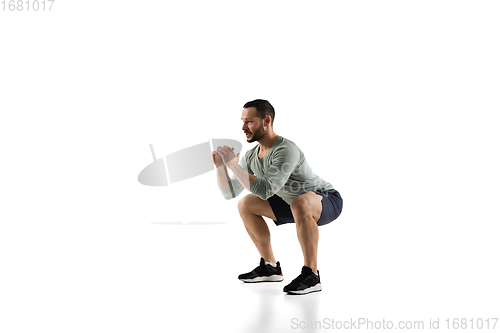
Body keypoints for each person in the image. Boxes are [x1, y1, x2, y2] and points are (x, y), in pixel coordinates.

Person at [212, 99, 343, 295]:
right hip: (291, 203)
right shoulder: (251, 156)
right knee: (246, 203)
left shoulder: (285, 149)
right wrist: (221, 167)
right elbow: (229, 193)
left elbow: (265, 190)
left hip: (325, 200)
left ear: (266, 121)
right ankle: (270, 266)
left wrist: (233, 165)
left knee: (300, 202)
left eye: (249, 122)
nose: (243, 127)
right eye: (242, 121)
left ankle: (312, 275)